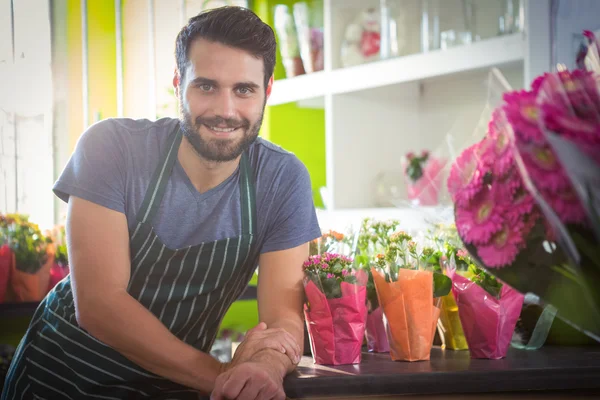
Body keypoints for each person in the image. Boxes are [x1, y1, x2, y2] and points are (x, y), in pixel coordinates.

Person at [2, 6, 321, 400]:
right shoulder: (112, 147)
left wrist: (266, 366)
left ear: (267, 90)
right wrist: (222, 376)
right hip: (60, 379)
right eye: (206, 86)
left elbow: (283, 319)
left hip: (171, 386)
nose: (225, 110)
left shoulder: (282, 180)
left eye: (243, 90)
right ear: (177, 83)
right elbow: (100, 305)